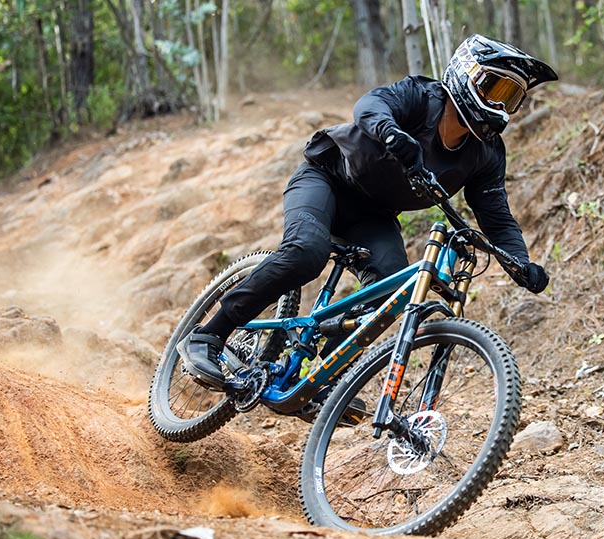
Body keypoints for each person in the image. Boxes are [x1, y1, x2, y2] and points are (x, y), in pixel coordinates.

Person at [177, 33, 558, 395]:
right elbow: (369, 107)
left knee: (390, 293)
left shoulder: (486, 153)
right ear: (465, 74)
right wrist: (392, 133)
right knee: (306, 252)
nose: (500, 104)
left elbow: (497, 216)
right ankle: (208, 334)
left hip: (373, 216)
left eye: (511, 98)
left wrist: (520, 263)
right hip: (327, 179)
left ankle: (321, 378)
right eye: (495, 88)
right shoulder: (422, 97)